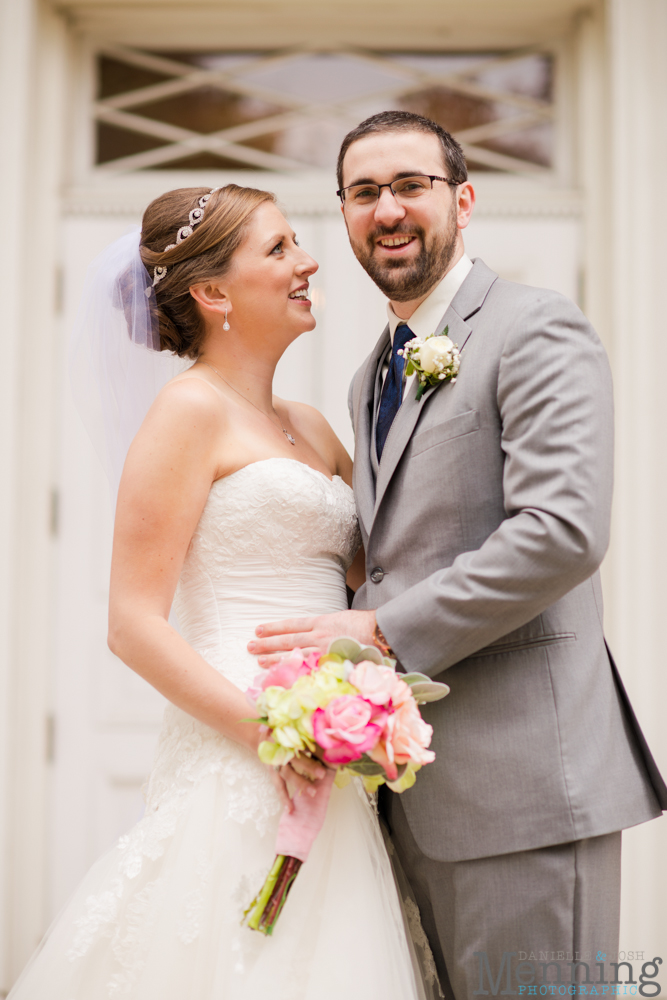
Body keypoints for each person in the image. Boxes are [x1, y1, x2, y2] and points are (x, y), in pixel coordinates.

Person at [248, 111, 667, 998]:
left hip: (526, 795)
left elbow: (561, 531)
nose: (387, 209)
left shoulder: (534, 329)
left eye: (411, 186)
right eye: (364, 192)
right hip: (410, 794)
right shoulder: (371, 373)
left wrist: (381, 629)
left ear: (463, 200)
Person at [7, 184, 434, 999]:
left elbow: (378, 570)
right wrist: (267, 735)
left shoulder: (309, 424)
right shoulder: (185, 414)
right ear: (211, 293)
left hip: (333, 747)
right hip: (242, 747)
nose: (308, 262)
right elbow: (131, 624)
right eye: (278, 250)